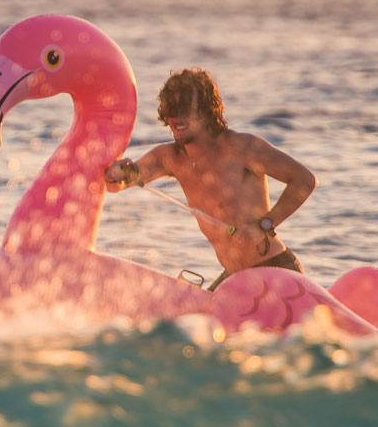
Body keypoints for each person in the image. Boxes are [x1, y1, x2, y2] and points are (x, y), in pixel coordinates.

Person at [104, 68, 317, 291]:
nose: (175, 118)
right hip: (235, 276)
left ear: (206, 111)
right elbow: (119, 183)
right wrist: (117, 173)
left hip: (274, 270)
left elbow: (305, 180)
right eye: (170, 109)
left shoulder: (241, 148)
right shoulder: (171, 158)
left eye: (184, 109)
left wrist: (265, 224)